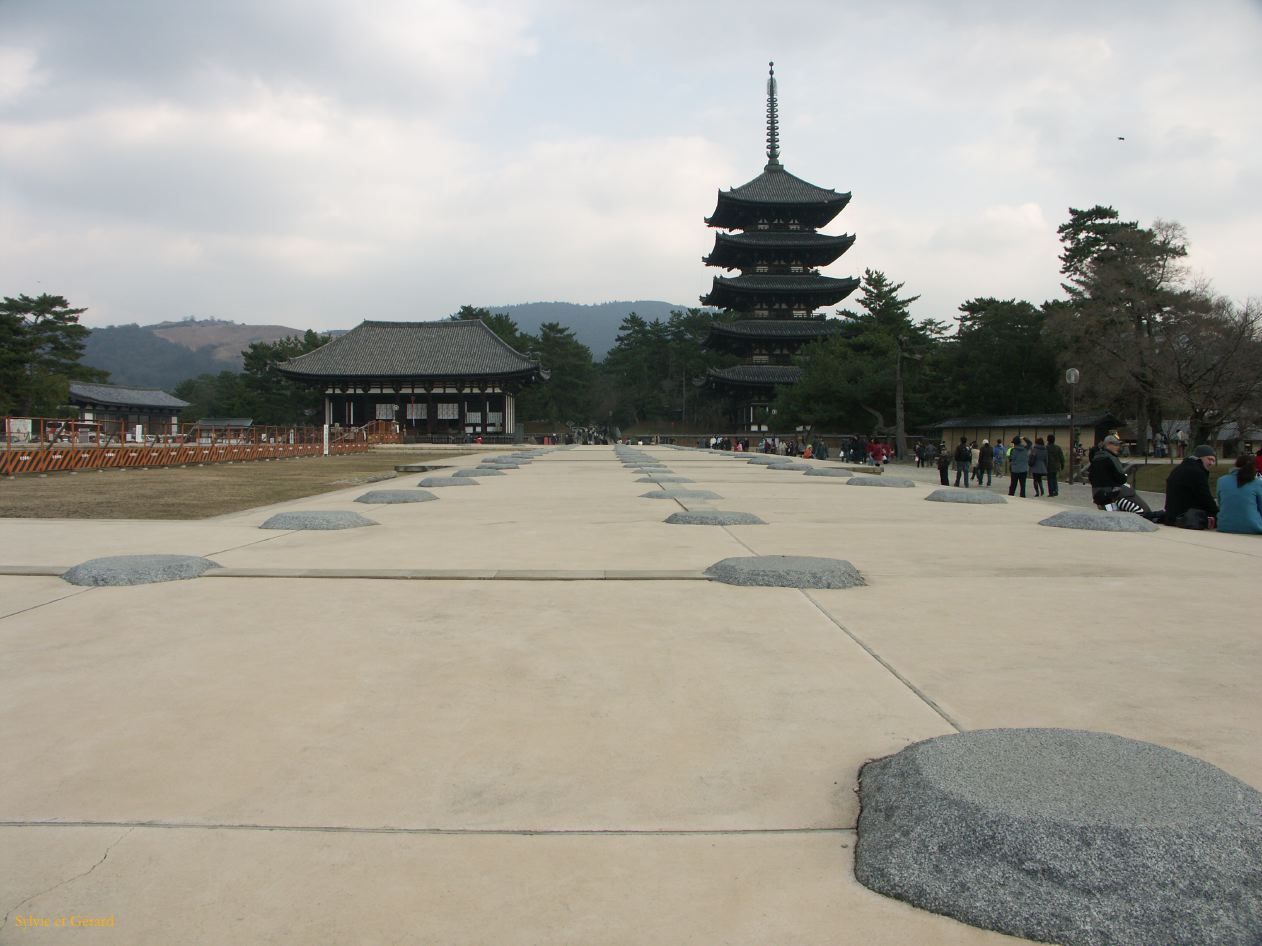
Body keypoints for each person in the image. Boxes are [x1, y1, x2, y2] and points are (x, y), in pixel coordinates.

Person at [1088, 434, 1153, 514]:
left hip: (1097, 494)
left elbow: (1091, 477)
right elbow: (1121, 478)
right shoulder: (1111, 458)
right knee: (1142, 509)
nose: (1118, 447)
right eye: (1115, 445)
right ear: (1108, 444)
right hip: (1112, 495)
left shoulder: (1096, 458)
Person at [1163, 444, 1218, 528]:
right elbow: (1206, 498)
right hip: (1185, 517)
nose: (1211, 463)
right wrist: (1218, 514)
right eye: (1209, 459)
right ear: (1200, 457)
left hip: (1171, 516)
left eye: (1213, 461)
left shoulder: (1179, 468)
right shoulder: (1197, 472)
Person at [1216, 455, 1262, 534]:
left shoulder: (1221, 480)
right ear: (1255, 468)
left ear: (1236, 465)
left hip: (1224, 526)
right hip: (1253, 527)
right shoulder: (1257, 483)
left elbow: (1220, 503)